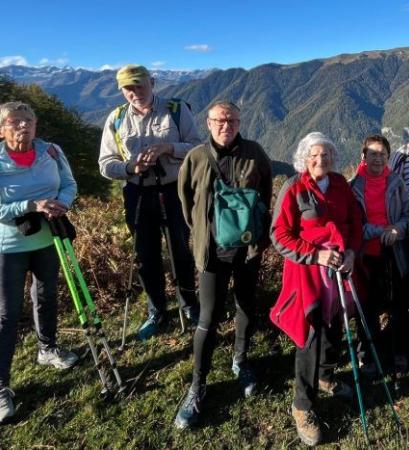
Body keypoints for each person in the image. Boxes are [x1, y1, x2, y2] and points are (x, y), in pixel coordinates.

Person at [174, 102, 272, 429]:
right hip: (212, 252)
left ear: (239, 121)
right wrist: (206, 232)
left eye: (231, 119)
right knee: (208, 316)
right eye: (218, 120)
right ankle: (197, 384)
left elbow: (265, 193)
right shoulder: (197, 157)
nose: (225, 125)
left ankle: (240, 361)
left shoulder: (255, 152)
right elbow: (187, 204)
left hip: (246, 249)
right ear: (208, 122)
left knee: (247, 305)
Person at [269, 132, 362, 446]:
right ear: (304, 159)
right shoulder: (294, 188)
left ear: (332, 157)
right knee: (309, 335)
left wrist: (350, 252)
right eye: (313, 156)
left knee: (334, 327)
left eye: (325, 155)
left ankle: (326, 376)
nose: (320, 160)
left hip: (337, 272)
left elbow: (354, 223)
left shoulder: (339, 185)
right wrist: (315, 254)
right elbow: (279, 235)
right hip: (307, 275)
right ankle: (302, 406)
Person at [98, 64, 199, 340]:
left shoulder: (176, 110)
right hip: (138, 191)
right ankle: (157, 311)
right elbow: (105, 164)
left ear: (152, 82)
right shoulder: (116, 118)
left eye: (139, 86)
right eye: (128, 88)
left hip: (175, 189)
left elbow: (198, 148)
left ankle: (189, 304)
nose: (134, 93)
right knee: (146, 254)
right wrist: (130, 168)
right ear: (121, 90)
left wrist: (169, 148)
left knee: (180, 248)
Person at [0, 102, 79, 423]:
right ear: (2, 128)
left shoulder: (52, 152)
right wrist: (31, 204)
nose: (23, 127)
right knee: (7, 313)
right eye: (15, 122)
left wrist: (63, 204)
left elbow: (70, 184)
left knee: (46, 296)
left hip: (50, 237)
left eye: (29, 121)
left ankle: (47, 349)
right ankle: (2, 386)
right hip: (10, 245)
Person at [349, 134, 409, 377]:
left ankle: (399, 353)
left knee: (399, 303)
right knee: (368, 306)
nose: (377, 158)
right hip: (367, 254)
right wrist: (380, 231)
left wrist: (397, 229)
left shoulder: (396, 182)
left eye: (382, 154)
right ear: (363, 156)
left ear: (388, 157)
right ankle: (369, 356)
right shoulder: (353, 186)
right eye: (372, 154)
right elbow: (354, 224)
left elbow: (408, 213)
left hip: (394, 250)